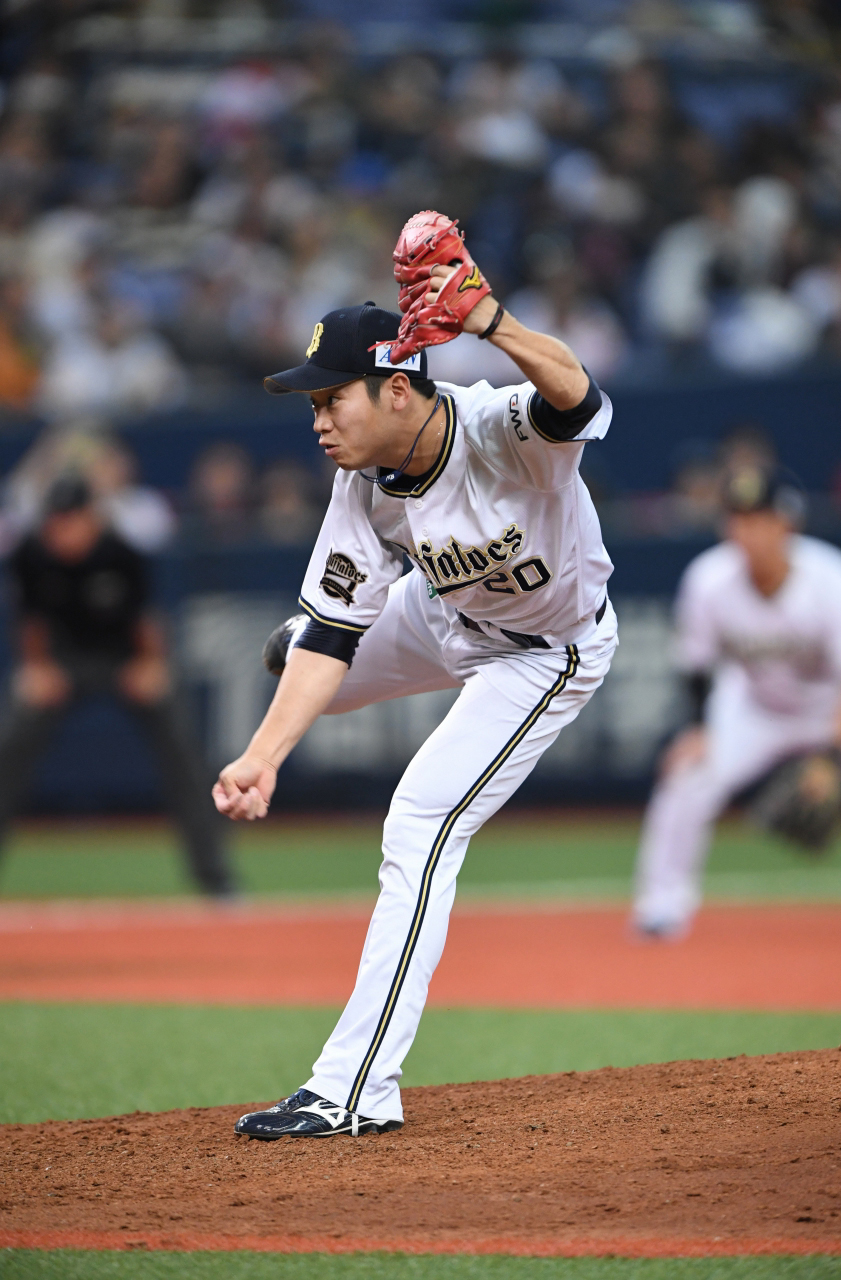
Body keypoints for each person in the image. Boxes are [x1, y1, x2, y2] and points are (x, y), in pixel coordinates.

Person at [215, 281, 618, 1137]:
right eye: (312, 404)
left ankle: (355, 1089)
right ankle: (304, 650)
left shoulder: (494, 427)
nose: (318, 421)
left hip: (541, 652)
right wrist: (261, 757)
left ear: (397, 388)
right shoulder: (362, 483)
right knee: (310, 656)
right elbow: (333, 639)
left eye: (331, 399)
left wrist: (488, 322)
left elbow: (577, 398)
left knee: (420, 822)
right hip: (439, 615)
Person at [632, 466, 841, 939]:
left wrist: (832, 757)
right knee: (689, 776)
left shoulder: (832, 579)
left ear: (787, 523)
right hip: (755, 708)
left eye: (761, 518)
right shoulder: (708, 579)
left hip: (833, 710)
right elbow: (696, 665)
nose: (748, 531)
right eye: (738, 518)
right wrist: (698, 729)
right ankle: (661, 907)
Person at [0, 474, 234, 897]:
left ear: (91, 518)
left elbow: (147, 621)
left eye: (70, 521)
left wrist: (150, 665)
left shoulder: (121, 553)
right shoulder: (31, 554)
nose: (62, 533)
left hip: (124, 660)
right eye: (55, 523)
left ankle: (215, 878)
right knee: (12, 741)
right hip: (62, 663)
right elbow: (31, 624)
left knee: (179, 744)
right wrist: (37, 669)